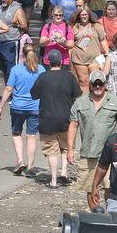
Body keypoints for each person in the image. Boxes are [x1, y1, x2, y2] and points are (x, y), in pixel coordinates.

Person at [67, 70, 117, 211]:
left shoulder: (115, 101)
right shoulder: (80, 102)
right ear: (90, 85)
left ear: (105, 85)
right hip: (88, 154)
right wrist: (70, 149)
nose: (98, 87)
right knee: (90, 188)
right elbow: (73, 125)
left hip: (111, 154)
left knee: (110, 187)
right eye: (95, 84)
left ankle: (111, 215)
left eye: (101, 83)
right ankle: (96, 216)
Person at [31, 50, 82, 188]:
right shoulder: (69, 77)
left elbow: (34, 95)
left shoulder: (43, 77)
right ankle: (64, 173)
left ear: (48, 62)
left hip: (47, 118)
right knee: (66, 147)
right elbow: (77, 94)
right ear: (61, 62)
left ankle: (53, 180)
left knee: (51, 150)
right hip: (66, 118)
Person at [0, 43, 44, 178]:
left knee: (16, 133)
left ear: (22, 54)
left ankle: (20, 160)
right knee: (31, 137)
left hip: (18, 107)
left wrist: (0, 106)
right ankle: (31, 166)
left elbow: (8, 89)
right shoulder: (40, 69)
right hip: (35, 107)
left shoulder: (16, 69)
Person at [70, 5, 109, 93]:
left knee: (96, 81)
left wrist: (107, 53)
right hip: (79, 59)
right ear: (79, 15)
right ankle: (85, 103)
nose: (84, 16)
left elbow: (103, 40)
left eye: (86, 14)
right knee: (83, 82)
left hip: (94, 59)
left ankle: (95, 100)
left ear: (89, 15)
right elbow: (70, 44)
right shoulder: (74, 27)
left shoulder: (96, 26)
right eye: (82, 14)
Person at [0, 0, 27, 81]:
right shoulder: (0, 7)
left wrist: (16, 24)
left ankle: (14, 92)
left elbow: (24, 26)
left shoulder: (17, 9)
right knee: (3, 70)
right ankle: (8, 92)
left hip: (11, 42)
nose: (3, 0)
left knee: (12, 69)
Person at [40, 5, 75, 69]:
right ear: (52, 15)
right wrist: (49, 39)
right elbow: (41, 43)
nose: (58, 17)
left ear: (63, 15)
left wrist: (62, 43)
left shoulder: (67, 27)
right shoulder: (47, 26)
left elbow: (71, 44)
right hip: (48, 60)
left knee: (62, 78)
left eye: (60, 15)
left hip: (63, 60)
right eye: (56, 15)